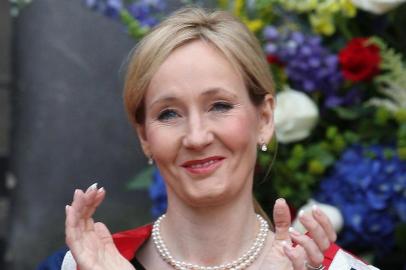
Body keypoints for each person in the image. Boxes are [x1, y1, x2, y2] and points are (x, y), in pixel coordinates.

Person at [38, 7, 379, 270]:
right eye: (168, 113)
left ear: (264, 119)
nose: (197, 137)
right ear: (144, 135)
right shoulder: (79, 265)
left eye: (219, 105)